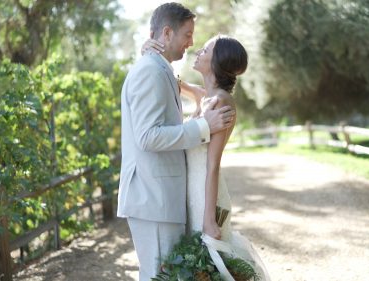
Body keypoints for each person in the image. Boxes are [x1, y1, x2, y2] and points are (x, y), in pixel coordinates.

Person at [116, 3, 236, 280]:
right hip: (153, 196)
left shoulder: (160, 69)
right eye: (187, 34)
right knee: (159, 276)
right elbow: (148, 136)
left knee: (166, 274)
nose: (191, 42)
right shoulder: (151, 71)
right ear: (167, 33)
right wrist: (203, 125)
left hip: (161, 197)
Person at [143, 35, 271, 280]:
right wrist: (149, 51)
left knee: (214, 264)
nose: (198, 51)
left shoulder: (222, 102)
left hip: (207, 195)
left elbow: (213, 165)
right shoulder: (206, 96)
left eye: (206, 49)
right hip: (193, 192)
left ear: (217, 62)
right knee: (200, 268)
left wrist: (209, 218)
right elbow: (171, 79)